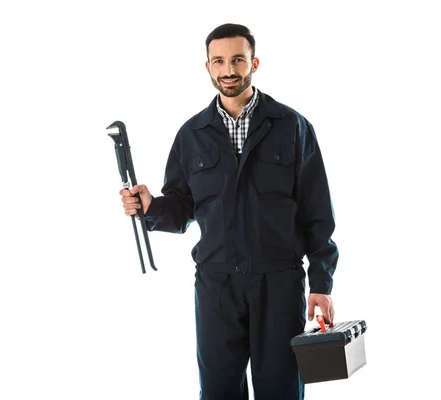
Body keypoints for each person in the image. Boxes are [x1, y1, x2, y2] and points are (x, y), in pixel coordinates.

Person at [119, 23, 338, 400]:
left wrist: (321, 283)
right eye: (219, 61)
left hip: (279, 283)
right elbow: (182, 206)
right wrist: (151, 206)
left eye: (237, 59)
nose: (229, 69)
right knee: (219, 391)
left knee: (281, 390)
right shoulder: (192, 134)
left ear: (254, 62)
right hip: (217, 285)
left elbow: (317, 213)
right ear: (207, 67)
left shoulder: (293, 127)